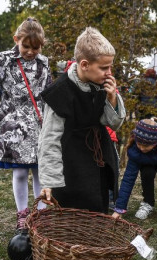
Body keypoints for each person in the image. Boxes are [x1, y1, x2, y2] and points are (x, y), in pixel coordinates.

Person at [38, 27, 125, 213]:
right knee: (72, 212)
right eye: (104, 67)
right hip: (71, 163)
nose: (109, 72)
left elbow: (114, 124)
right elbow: (49, 141)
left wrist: (112, 100)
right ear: (84, 64)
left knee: (98, 208)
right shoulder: (60, 93)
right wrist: (49, 181)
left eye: (110, 67)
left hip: (98, 157)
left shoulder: (102, 85)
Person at [0, 17, 52, 233]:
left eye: (36, 47)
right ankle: (22, 214)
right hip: (14, 126)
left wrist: (53, 118)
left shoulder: (44, 62)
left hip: (40, 124)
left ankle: (40, 214)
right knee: (20, 172)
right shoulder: (4, 59)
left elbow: (48, 91)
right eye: (26, 46)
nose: (31, 51)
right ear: (16, 40)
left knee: (41, 171)